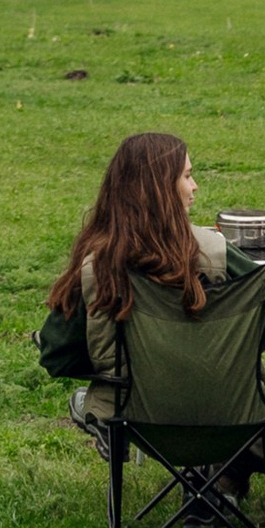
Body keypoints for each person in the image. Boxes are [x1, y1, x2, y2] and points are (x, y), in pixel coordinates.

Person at [45, 130, 224, 424]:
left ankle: (100, 418)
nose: (195, 186)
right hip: (223, 408)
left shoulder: (99, 264)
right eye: (187, 176)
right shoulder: (218, 253)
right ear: (161, 189)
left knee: (94, 394)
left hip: (134, 414)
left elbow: (56, 353)